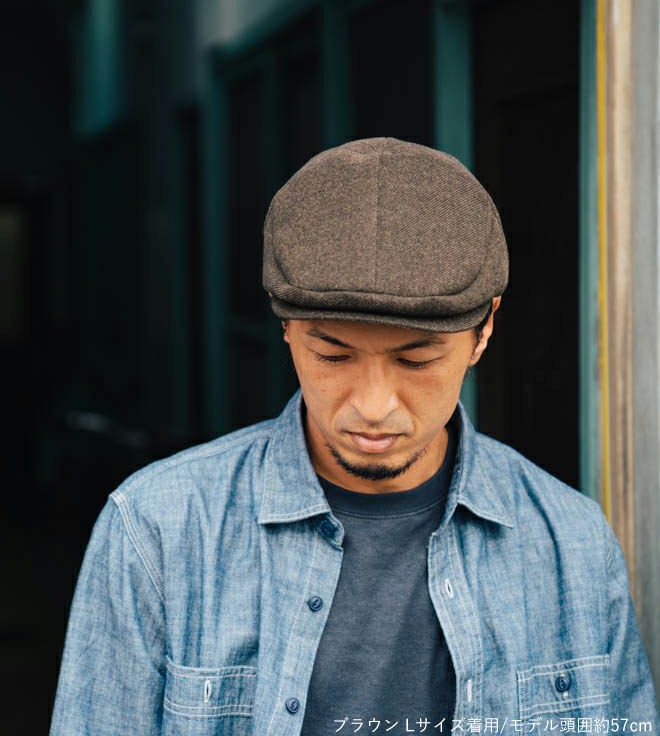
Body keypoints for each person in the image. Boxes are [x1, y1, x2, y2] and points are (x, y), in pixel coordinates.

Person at [50, 138, 658, 735]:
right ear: (286, 327)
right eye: (333, 356)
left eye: (416, 361)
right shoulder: (158, 530)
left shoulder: (573, 543)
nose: (373, 407)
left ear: (484, 330)